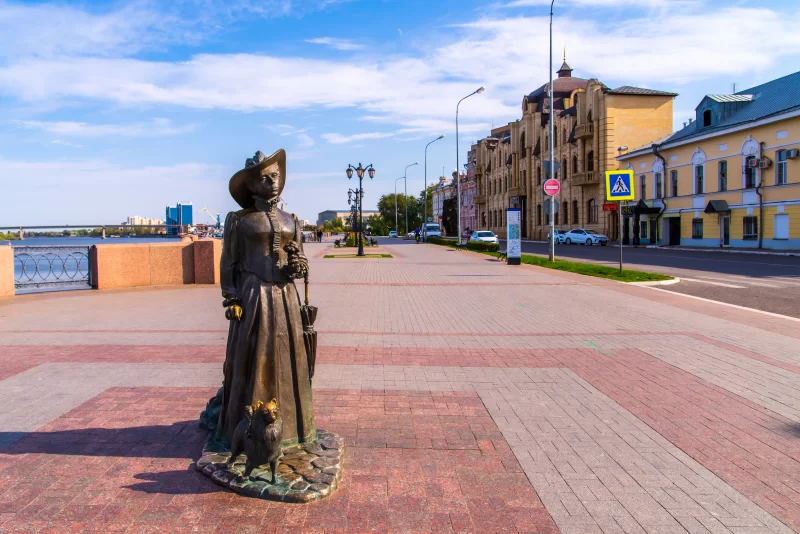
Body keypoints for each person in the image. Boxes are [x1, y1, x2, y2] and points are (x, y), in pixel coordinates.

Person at [218, 149, 315, 448]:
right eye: (264, 178)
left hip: (286, 297)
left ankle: (294, 431)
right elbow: (228, 262)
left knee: (290, 360)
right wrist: (231, 298)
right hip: (253, 296)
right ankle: (248, 433)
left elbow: (300, 260)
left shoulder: (291, 220)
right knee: (254, 358)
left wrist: (300, 266)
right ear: (251, 185)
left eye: (275, 176)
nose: (272, 182)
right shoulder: (240, 220)